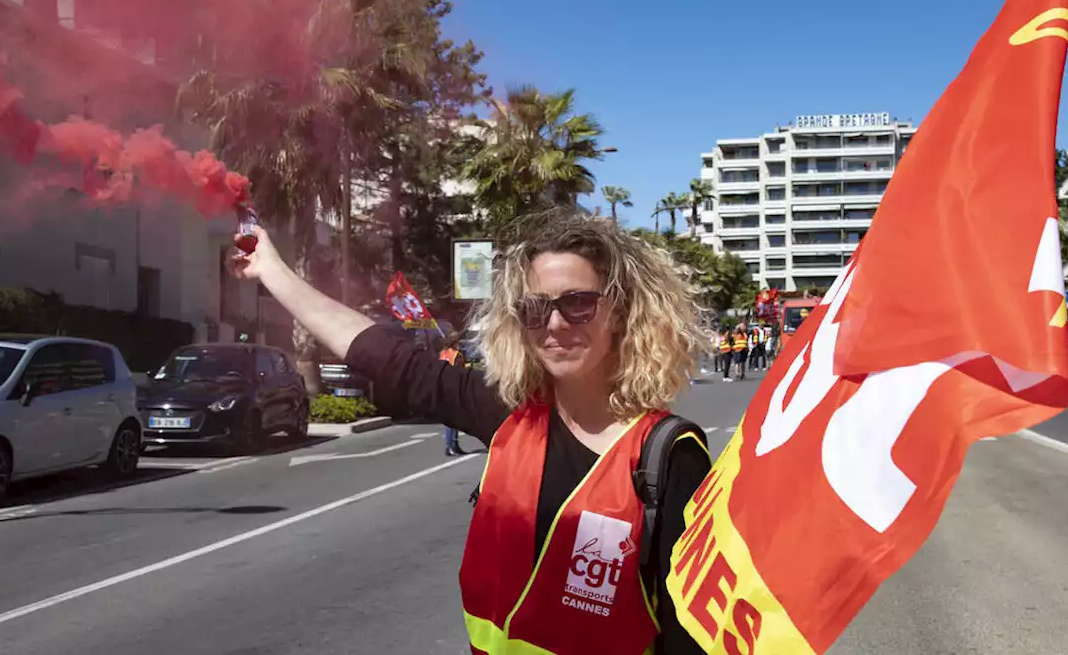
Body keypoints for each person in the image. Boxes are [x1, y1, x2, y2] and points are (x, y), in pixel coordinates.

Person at [231, 215, 713, 654]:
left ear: (622, 313)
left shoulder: (667, 456)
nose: (555, 324)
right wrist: (272, 270)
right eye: (534, 308)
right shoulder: (506, 413)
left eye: (579, 303)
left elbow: (689, 636)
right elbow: (384, 355)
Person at [437, 335, 468, 456]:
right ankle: (451, 445)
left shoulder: (442, 353)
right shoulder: (457, 355)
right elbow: (460, 371)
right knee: (454, 419)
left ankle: (454, 445)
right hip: (454, 387)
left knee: (450, 418)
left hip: (442, 386)